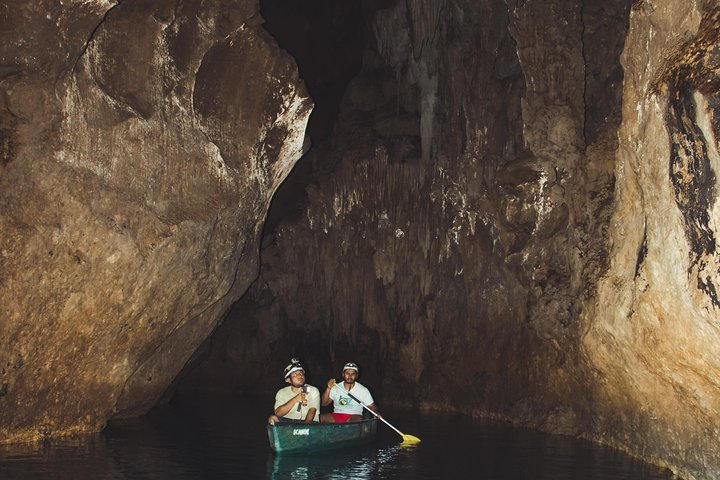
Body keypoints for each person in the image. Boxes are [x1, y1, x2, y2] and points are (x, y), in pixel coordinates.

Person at [268, 358, 320, 425]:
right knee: (272, 418)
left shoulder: (313, 390)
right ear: (289, 380)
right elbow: (278, 413)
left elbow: (312, 411)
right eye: (295, 374)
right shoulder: (282, 392)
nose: (299, 376)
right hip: (288, 422)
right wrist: (295, 399)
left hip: (309, 423)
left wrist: (304, 428)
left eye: (301, 373)